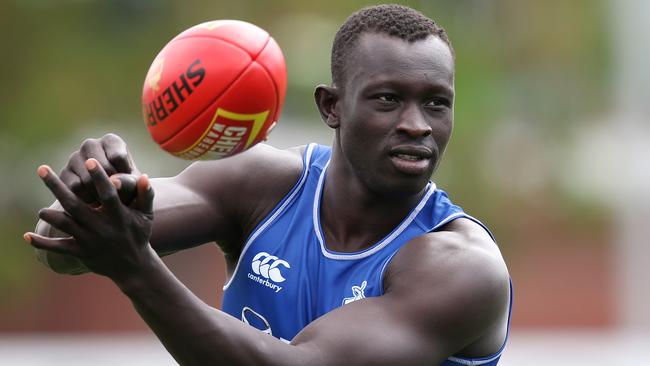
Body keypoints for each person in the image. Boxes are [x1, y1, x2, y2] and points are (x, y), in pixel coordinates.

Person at [25, 4, 512, 365]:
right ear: (331, 107)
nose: (416, 124)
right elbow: (63, 250)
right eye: (387, 99)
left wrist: (135, 268)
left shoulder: (461, 268)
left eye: (436, 103)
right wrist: (92, 202)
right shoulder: (260, 183)